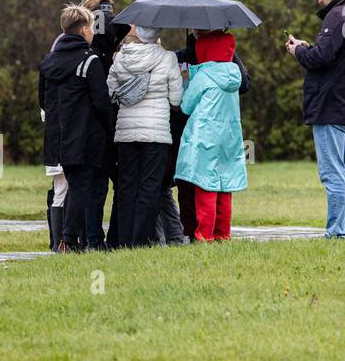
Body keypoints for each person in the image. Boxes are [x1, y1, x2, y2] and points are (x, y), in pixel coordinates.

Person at [284, 0, 345, 239]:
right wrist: (310, 47)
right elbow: (334, 57)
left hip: (329, 104)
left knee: (333, 175)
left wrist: (299, 50)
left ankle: (336, 234)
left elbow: (320, 59)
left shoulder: (337, 15)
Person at [39, 4, 114, 251]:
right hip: (85, 137)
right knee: (83, 189)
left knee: (72, 187)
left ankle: (65, 240)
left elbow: (43, 101)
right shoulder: (89, 61)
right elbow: (101, 102)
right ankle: (69, 240)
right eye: (92, 27)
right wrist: (111, 129)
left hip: (58, 137)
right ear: (84, 29)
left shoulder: (49, 62)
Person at [165, 32, 251, 242]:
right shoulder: (235, 74)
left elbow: (186, 105)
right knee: (224, 187)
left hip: (205, 137)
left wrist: (187, 81)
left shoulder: (203, 75)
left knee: (205, 186)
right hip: (230, 138)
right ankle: (223, 233)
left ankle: (204, 234)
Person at [106, 24, 182, 246]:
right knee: (150, 186)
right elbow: (176, 100)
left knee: (127, 185)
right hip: (156, 133)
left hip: (125, 133)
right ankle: (143, 239)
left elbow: (110, 93)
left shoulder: (120, 58)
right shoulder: (167, 58)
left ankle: (125, 239)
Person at [81, 0, 130, 248]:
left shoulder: (86, 30)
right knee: (120, 183)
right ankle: (116, 238)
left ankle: (91, 239)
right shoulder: (118, 23)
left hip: (92, 125)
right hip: (117, 119)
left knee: (94, 187)